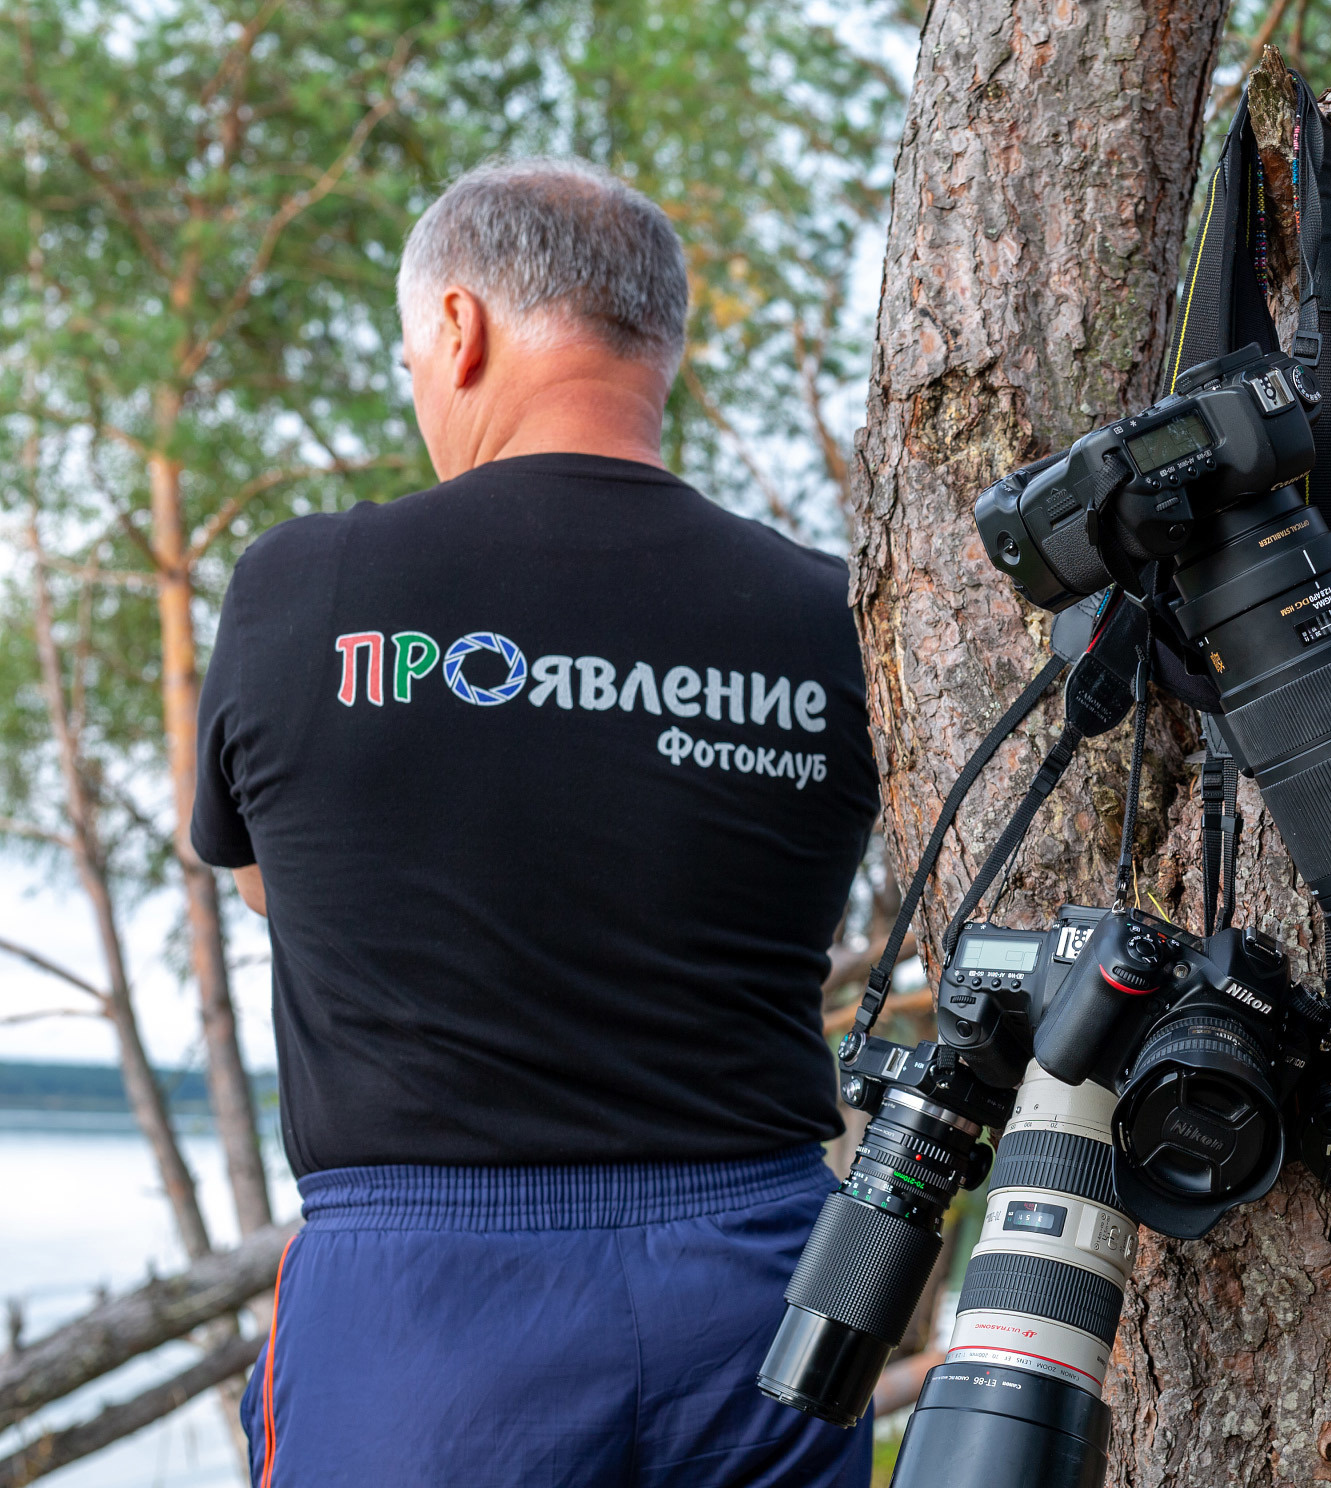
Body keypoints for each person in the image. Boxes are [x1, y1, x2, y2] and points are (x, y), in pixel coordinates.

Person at [193, 157, 881, 1486]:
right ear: (659, 342)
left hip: (430, 1301)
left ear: (457, 329)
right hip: (765, 1289)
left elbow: (275, 883)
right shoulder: (828, 614)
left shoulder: (306, 584)